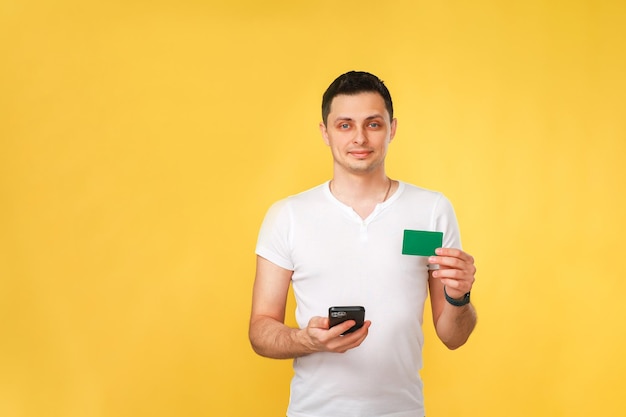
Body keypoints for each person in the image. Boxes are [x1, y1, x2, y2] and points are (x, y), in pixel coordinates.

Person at [249, 71, 477, 417]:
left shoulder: (430, 210)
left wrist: (459, 297)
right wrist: (305, 340)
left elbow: (453, 337)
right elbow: (260, 329)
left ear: (392, 129)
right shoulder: (288, 216)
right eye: (345, 125)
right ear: (325, 132)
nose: (360, 138)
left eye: (373, 124)